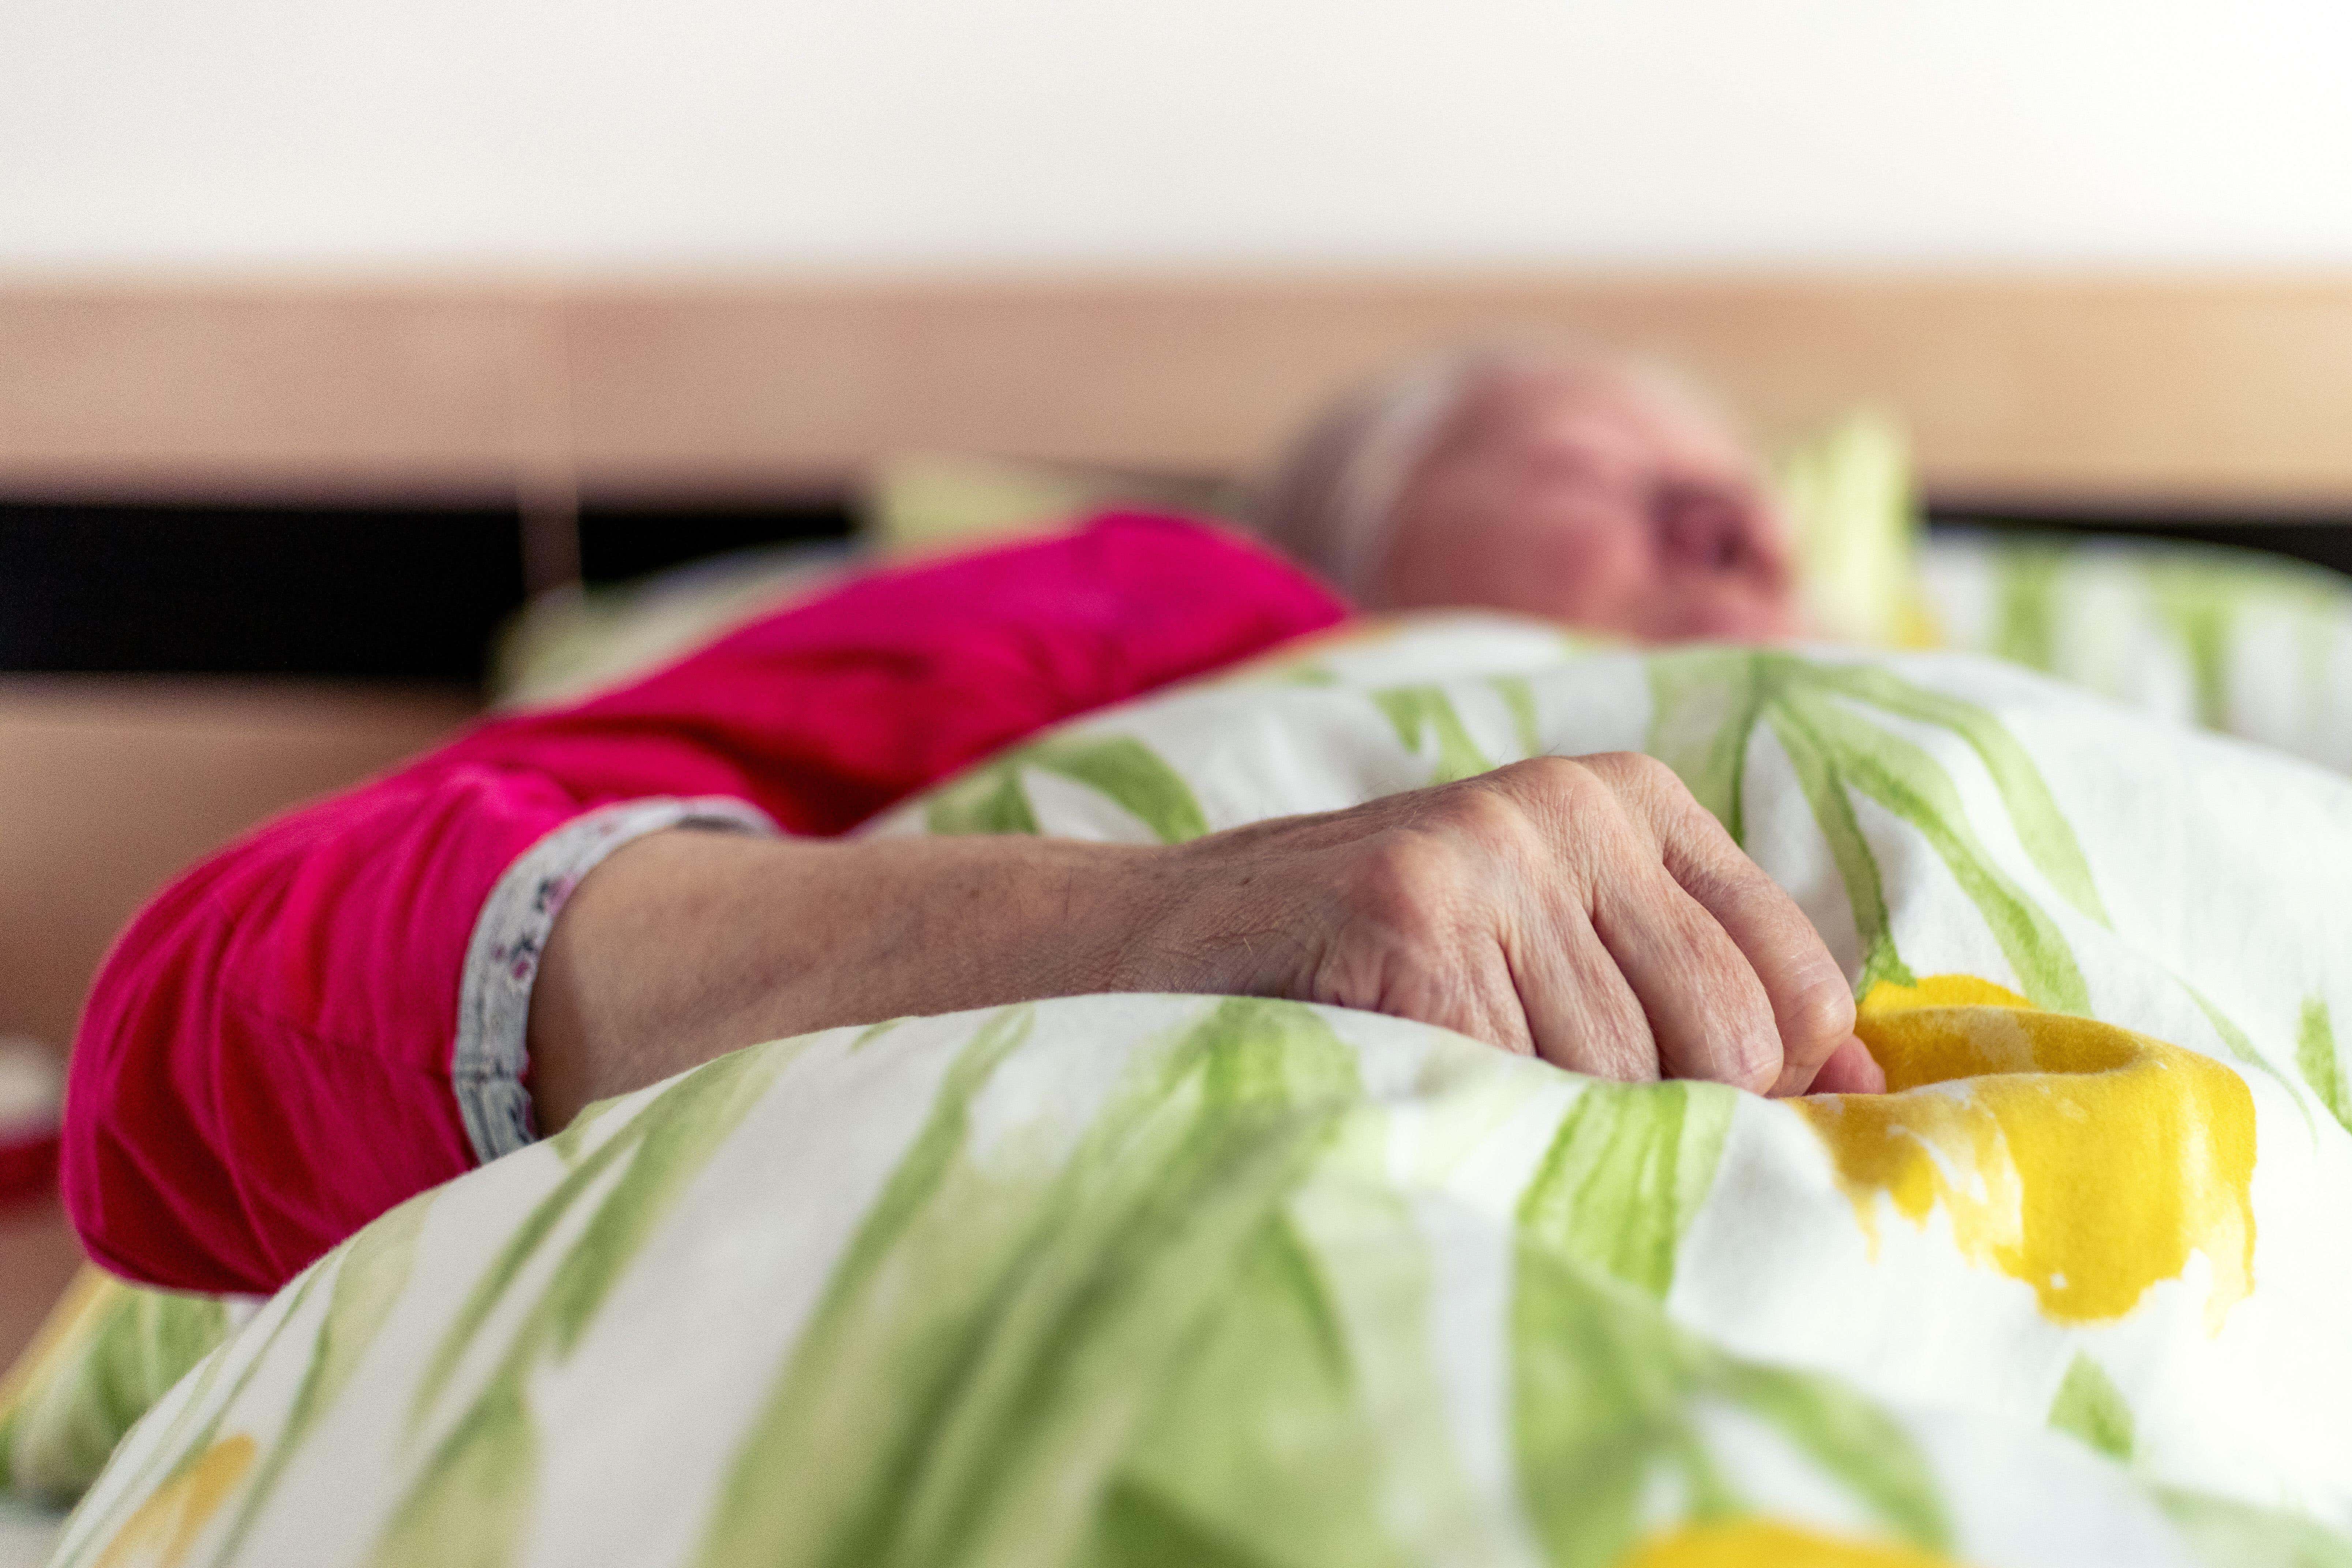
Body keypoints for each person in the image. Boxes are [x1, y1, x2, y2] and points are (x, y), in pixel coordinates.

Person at [64, 354, 1879, 1297]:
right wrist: (1177, 921)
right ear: (1360, 529)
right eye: (1610, 465)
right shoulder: (1178, 611)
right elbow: (207, 1018)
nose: (1741, 527)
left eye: (1752, 505)